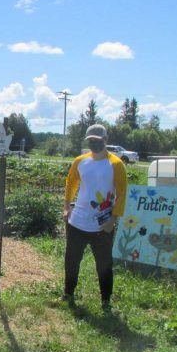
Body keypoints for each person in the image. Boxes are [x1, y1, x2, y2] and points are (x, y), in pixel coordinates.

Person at [63, 124, 127, 312]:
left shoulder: (116, 165)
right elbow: (71, 182)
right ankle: (68, 293)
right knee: (72, 260)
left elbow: (122, 193)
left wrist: (113, 220)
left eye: (97, 141)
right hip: (77, 223)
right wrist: (67, 207)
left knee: (104, 264)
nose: (94, 144)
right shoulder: (80, 161)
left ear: (106, 140)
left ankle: (106, 301)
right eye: (91, 141)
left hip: (102, 226)